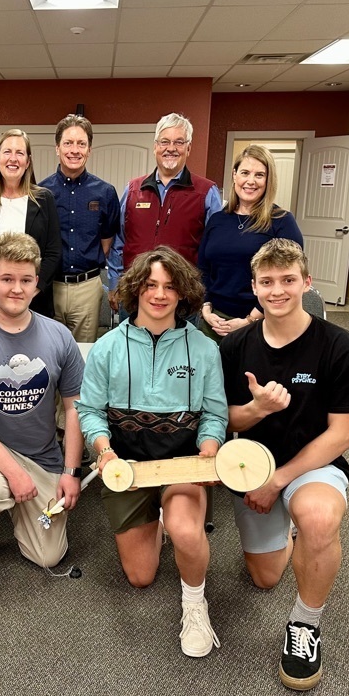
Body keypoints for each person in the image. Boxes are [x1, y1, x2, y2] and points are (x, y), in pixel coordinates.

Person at [220, 238, 349, 690]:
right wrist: (258, 410)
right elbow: (223, 418)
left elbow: (342, 433)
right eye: (267, 282)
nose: (278, 290)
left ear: (306, 283)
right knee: (266, 579)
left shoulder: (341, 347)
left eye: (288, 280)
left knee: (319, 518)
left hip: (311, 466)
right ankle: (290, 529)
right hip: (252, 465)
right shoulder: (234, 348)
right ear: (254, 287)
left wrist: (280, 482)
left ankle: (305, 625)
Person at [77, 246, 227, 657]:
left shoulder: (204, 349)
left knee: (184, 528)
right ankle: (156, 519)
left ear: (183, 295)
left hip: (181, 465)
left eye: (169, 287)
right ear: (135, 290)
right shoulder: (107, 348)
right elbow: (89, 411)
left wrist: (207, 454)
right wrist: (103, 451)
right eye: (150, 285)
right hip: (126, 468)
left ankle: (195, 606)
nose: (159, 295)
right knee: (141, 576)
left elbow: (215, 415)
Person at [0, 232, 84, 581]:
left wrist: (70, 472)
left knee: (49, 553)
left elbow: (74, 410)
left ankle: (23, 508)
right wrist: (14, 473)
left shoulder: (59, 337)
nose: (16, 289)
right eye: (7, 279)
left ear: (37, 283)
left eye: (25, 280)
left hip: (41, 454)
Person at [108, 112, 222, 312]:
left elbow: (215, 251)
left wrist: (205, 295)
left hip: (182, 299)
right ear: (155, 147)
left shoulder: (206, 192)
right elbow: (119, 242)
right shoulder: (134, 189)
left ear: (188, 147)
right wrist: (115, 283)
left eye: (179, 142)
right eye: (165, 142)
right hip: (135, 295)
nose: (171, 148)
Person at [198, 144, 304, 342]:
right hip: (213, 322)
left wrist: (249, 320)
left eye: (259, 175)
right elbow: (203, 269)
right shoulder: (218, 220)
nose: (250, 181)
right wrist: (206, 308)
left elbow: (290, 279)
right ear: (234, 175)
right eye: (245, 172)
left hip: (261, 323)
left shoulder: (281, 221)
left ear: (268, 180)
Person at [0, 128, 62, 320]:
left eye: (20, 153)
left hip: (34, 305)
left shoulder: (44, 199)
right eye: (7, 152)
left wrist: (26, 295)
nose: (13, 159)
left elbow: (53, 253)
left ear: (28, 161)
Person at [39, 114, 120, 343]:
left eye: (81, 144)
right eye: (68, 143)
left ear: (89, 149)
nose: (75, 150)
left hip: (87, 288)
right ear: (57, 148)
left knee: (83, 356)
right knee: (47, 353)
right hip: (48, 287)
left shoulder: (105, 192)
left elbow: (107, 244)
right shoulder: (40, 193)